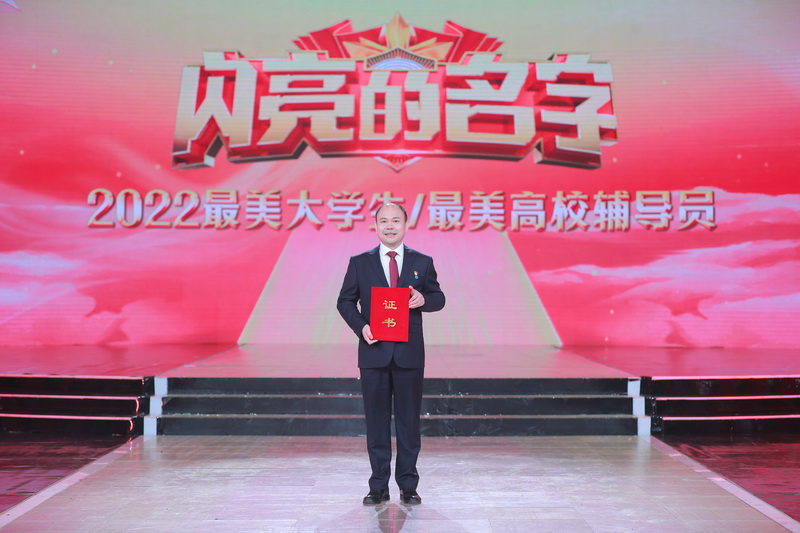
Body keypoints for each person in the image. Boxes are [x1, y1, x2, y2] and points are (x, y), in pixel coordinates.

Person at [337, 202, 445, 505]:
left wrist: (423, 299)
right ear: (375, 226)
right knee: (376, 422)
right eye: (383, 221)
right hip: (374, 352)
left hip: (409, 353)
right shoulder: (360, 262)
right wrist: (362, 327)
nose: (389, 226)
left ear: (406, 225)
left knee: (409, 423)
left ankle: (408, 485)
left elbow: (438, 298)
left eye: (395, 220)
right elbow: (345, 301)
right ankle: (378, 486)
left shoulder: (422, 262)